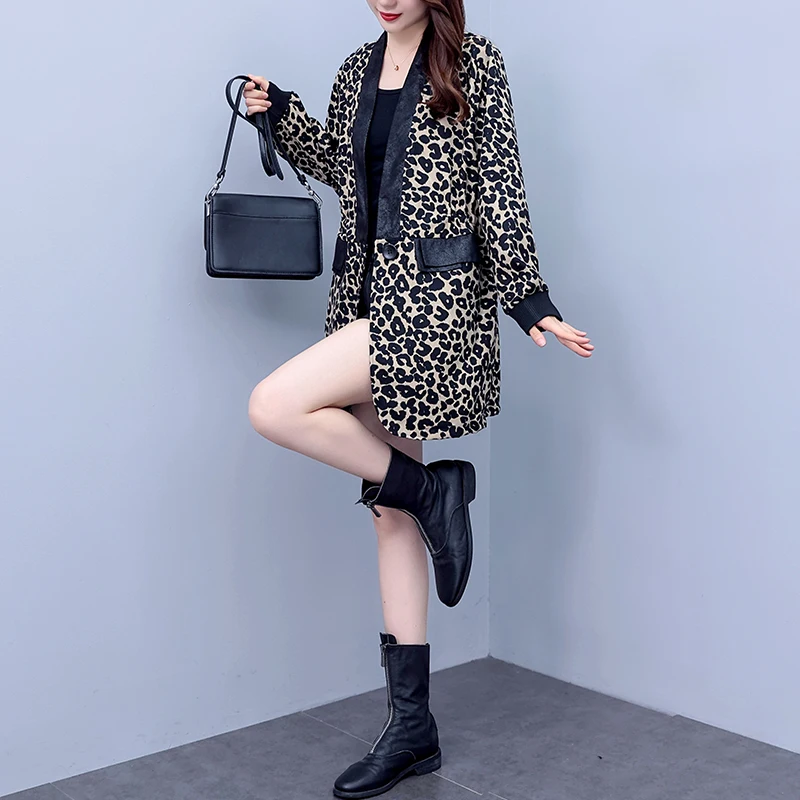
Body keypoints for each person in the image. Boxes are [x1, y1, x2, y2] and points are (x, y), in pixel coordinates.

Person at [243, 1, 593, 796]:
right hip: (363, 302)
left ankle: (436, 492)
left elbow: (498, 185)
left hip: (433, 310)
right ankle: (412, 728)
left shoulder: (475, 61)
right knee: (391, 513)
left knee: (274, 404)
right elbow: (345, 167)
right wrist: (282, 114)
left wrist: (530, 301)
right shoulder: (355, 69)